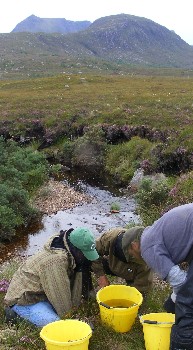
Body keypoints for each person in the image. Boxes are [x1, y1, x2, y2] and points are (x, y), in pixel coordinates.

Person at [126, 203, 193, 350]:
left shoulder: (147, 248)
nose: (133, 258)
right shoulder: (155, 230)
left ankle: (181, 346)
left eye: (131, 254)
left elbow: (180, 280)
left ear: (135, 245)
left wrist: (177, 300)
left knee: (187, 305)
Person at [4, 227, 99, 327]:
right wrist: (73, 322)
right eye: (84, 254)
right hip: (24, 300)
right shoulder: (55, 262)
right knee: (58, 326)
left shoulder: (67, 248)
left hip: (40, 294)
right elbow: (62, 302)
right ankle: (13, 314)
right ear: (76, 249)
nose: (86, 258)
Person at [91, 226, 153, 295]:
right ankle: (87, 293)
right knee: (83, 257)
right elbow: (93, 252)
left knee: (137, 293)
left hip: (131, 273)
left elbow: (141, 289)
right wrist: (101, 276)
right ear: (134, 245)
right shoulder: (111, 237)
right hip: (110, 263)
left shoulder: (147, 261)